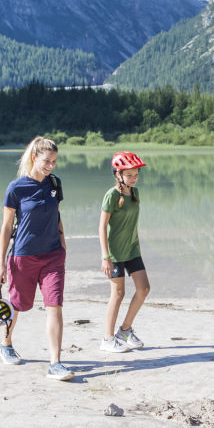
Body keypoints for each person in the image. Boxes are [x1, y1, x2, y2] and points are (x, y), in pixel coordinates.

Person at [0, 135, 74, 380]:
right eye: (47, 161)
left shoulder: (55, 184)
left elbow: (57, 214)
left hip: (52, 257)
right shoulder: (16, 188)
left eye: (54, 161)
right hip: (23, 257)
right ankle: (6, 344)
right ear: (34, 158)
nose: (51, 166)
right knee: (17, 305)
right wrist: (0, 265)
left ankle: (56, 363)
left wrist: (62, 243)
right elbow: (6, 228)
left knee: (55, 306)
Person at [98, 151, 151, 353]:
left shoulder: (135, 193)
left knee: (144, 289)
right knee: (118, 294)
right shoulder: (112, 195)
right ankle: (107, 338)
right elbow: (102, 227)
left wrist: (137, 245)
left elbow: (133, 224)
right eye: (129, 175)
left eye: (136, 174)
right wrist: (105, 256)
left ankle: (125, 330)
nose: (134, 178)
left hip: (132, 250)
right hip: (115, 254)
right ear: (118, 174)